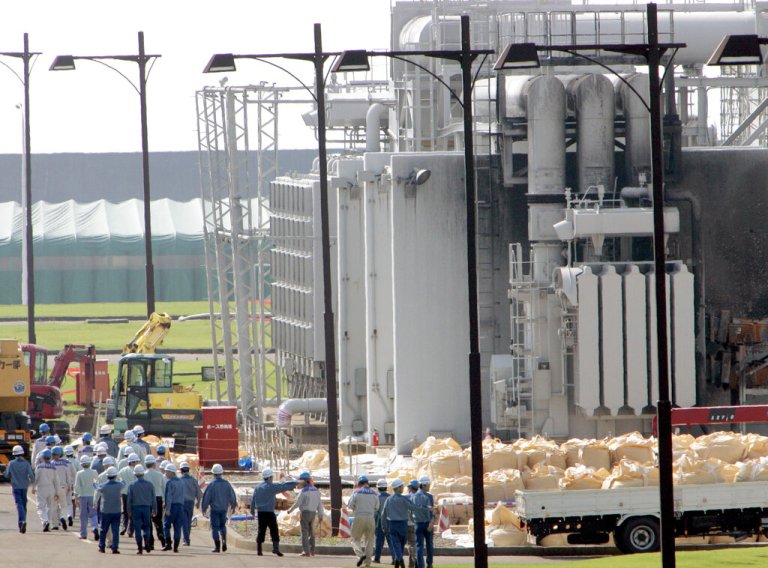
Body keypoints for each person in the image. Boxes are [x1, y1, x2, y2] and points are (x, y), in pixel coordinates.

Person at [380, 479, 429, 568]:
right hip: (403, 524)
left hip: (392, 524)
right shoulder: (403, 499)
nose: (403, 488)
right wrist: (426, 508)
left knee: (396, 544)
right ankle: (400, 560)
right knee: (401, 544)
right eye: (401, 486)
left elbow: (383, 514)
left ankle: (398, 560)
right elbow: (414, 507)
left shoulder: (389, 499)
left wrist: (383, 525)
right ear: (398, 488)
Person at [249, 468, 297, 557]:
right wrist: (296, 482)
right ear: (270, 477)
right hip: (269, 513)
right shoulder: (271, 487)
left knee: (261, 530)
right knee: (274, 530)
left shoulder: (258, 487)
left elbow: (253, 499)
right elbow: (283, 486)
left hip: (260, 512)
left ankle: (259, 550)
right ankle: (276, 548)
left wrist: (252, 509)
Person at [201, 463, 238, 553]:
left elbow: (206, 498)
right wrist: (233, 506)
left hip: (214, 510)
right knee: (222, 526)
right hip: (223, 509)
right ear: (222, 473)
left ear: (213, 473)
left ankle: (217, 546)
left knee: (215, 528)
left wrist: (204, 508)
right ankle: (224, 540)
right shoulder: (227, 484)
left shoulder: (211, 485)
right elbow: (232, 496)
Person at [287, 471, 323, 557]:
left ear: (304, 481)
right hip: (313, 513)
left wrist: (290, 510)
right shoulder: (316, 490)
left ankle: (306, 551)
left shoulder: (303, 491)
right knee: (312, 532)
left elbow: (297, 503)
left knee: (304, 532)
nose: (299, 482)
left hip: (305, 513)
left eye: (301, 480)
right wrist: (321, 515)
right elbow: (319, 504)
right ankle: (312, 550)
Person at [348, 475, 380, 567]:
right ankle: (368, 562)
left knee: (355, 539)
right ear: (368, 483)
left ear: (359, 484)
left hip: (359, 517)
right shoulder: (374, 493)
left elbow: (350, 505)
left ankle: (360, 555)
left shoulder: (356, 492)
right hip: (370, 518)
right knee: (369, 541)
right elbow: (377, 507)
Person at [5, 445, 35, 533]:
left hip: (15, 487)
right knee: (24, 504)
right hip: (24, 486)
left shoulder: (11, 463)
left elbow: (7, 475)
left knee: (19, 504)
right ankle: (23, 520)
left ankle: (22, 522)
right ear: (22, 453)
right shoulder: (26, 463)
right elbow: (32, 476)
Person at [127, 464, 156, 555]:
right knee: (147, 527)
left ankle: (140, 548)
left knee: (137, 529)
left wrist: (129, 511)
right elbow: (153, 498)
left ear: (135, 474)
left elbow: (129, 500)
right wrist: (155, 509)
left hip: (136, 508)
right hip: (147, 508)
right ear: (143, 474)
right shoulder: (150, 485)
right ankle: (147, 542)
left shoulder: (132, 485)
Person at [96, 467, 124, 554]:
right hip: (116, 510)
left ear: (107, 476)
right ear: (115, 476)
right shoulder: (119, 485)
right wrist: (120, 478)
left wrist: (94, 481)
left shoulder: (103, 486)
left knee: (103, 529)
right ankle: (114, 547)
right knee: (115, 530)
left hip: (106, 510)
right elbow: (124, 482)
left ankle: (101, 547)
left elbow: (96, 487)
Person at [74, 454, 99, 541]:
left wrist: (76, 498)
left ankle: (83, 534)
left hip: (83, 496)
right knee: (94, 514)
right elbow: (97, 485)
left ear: (81, 464)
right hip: (93, 495)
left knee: (83, 516)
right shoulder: (95, 472)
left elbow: (77, 487)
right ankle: (95, 527)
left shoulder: (79, 473)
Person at [32, 449, 59, 532]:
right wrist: (57, 492)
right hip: (51, 488)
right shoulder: (53, 467)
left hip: (41, 488)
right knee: (50, 507)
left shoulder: (39, 467)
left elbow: (35, 478)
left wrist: (33, 487)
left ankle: (45, 521)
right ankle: (49, 523)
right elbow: (56, 481)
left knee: (40, 507)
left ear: (42, 457)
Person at [144, 455, 166, 550]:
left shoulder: (144, 474)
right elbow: (164, 488)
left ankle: (150, 543)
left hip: (147, 499)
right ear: (153, 464)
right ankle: (162, 538)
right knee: (158, 521)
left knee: (148, 522)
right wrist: (164, 500)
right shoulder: (160, 475)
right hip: (158, 498)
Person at [412, 476, 435, 568]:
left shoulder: (413, 497)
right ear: (424, 485)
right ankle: (429, 564)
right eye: (428, 484)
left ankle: (420, 565)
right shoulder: (429, 496)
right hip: (427, 522)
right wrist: (431, 522)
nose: (429, 486)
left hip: (418, 523)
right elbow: (431, 511)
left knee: (419, 545)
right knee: (429, 544)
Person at [52, 446, 75, 531]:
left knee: (54, 505)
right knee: (65, 505)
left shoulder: (51, 464)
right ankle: (63, 517)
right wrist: (70, 486)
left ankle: (55, 524)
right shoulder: (67, 463)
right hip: (64, 487)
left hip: (54, 487)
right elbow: (70, 476)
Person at [178, 462, 202, 546]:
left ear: (181, 470)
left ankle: (186, 539)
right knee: (188, 521)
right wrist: (198, 502)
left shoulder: (179, 480)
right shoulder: (193, 480)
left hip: (181, 503)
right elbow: (199, 493)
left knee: (183, 521)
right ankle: (187, 538)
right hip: (190, 503)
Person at [163, 463, 184, 552]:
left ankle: (168, 544)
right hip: (180, 507)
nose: (166, 474)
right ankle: (176, 547)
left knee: (166, 526)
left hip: (172, 506)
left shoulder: (170, 483)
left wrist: (167, 509)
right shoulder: (181, 482)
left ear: (171, 472)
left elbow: (169, 496)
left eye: (167, 472)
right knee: (177, 527)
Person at [119, 454, 140, 536]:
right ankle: (130, 530)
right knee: (133, 511)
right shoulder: (136, 471)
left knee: (124, 511)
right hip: (134, 494)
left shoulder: (122, 470)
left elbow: (119, 481)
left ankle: (124, 527)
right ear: (134, 462)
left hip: (124, 493)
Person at [373, 478, 392, 565]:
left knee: (379, 542)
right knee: (391, 541)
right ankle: (395, 558)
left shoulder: (376, 498)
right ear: (386, 487)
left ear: (378, 488)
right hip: (390, 522)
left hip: (380, 522)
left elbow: (375, 512)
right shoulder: (391, 497)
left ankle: (377, 558)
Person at [406, 479, 420, 567]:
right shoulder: (420, 497)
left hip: (408, 523)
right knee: (415, 543)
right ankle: (414, 560)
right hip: (418, 523)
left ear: (410, 488)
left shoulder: (406, 497)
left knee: (410, 543)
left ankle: (413, 560)